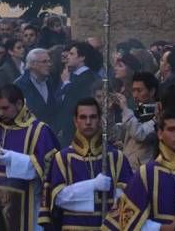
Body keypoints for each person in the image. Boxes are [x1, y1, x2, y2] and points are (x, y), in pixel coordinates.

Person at [0, 84, 60, 231]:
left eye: (5, 108)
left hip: (25, 209)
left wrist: (16, 161)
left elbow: (50, 170)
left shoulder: (39, 131)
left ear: (19, 104)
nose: (0, 113)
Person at [39, 97, 132, 229]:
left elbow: (128, 201)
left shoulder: (117, 157)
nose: (88, 122)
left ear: (100, 120)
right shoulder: (62, 158)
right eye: (83, 117)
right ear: (75, 121)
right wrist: (92, 185)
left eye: (93, 117)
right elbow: (59, 199)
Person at [102, 106, 175, 230]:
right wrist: (162, 228)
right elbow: (121, 223)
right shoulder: (147, 173)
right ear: (160, 134)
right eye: (171, 129)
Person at [55, 41, 101, 146]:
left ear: (82, 58)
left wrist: (66, 83)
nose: (68, 57)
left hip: (76, 133)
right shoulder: (71, 76)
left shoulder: (86, 78)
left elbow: (72, 104)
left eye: (72, 54)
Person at [116, 71, 159, 169]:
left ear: (152, 91)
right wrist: (108, 113)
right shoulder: (137, 112)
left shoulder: (158, 115)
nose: (135, 95)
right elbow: (115, 135)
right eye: (133, 90)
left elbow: (140, 134)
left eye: (139, 91)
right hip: (127, 167)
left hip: (144, 171)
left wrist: (125, 109)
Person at [13, 48, 58, 126]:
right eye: (44, 62)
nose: (49, 64)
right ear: (32, 64)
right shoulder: (19, 85)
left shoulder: (51, 81)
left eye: (49, 61)